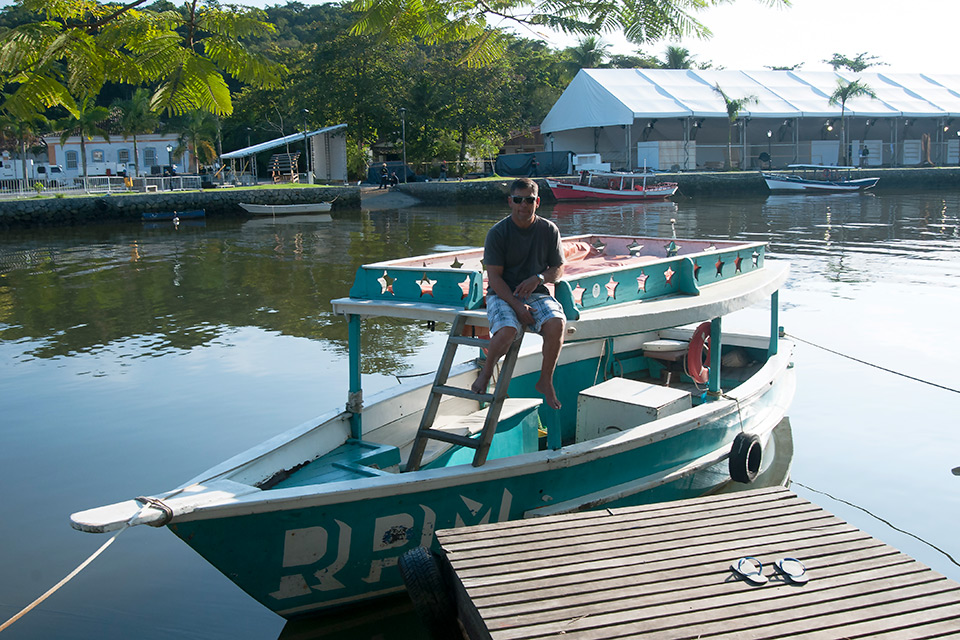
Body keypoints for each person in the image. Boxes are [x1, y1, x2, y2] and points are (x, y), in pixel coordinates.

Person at [470, 177, 565, 409]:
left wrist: (538, 278)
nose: (524, 204)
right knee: (508, 330)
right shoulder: (498, 233)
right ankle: (486, 371)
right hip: (502, 293)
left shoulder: (549, 230)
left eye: (529, 200)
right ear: (510, 201)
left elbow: (559, 269)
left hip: (536, 292)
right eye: (518, 199)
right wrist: (516, 305)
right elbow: (494, 278)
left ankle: (545, 380)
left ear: (537, 202)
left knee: (557, 324)